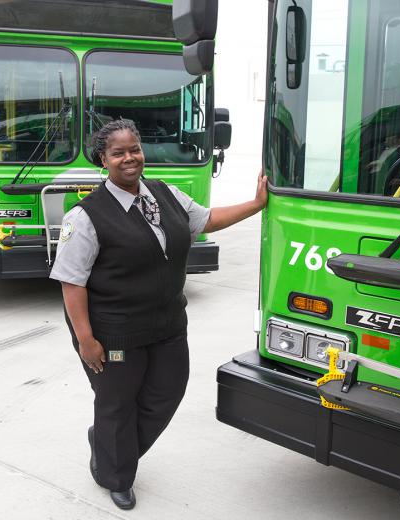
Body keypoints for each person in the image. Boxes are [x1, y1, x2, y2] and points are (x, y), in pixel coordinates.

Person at [49, 118, 267, 510]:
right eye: (118, 153)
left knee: (167, 391)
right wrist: (86, 340)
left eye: (135, 149)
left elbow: (207, 220)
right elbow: (72, 282)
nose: (129, 158)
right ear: (103, 160)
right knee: (117, 402)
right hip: (113, 333)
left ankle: (108, 443)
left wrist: (256, 204)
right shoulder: (85, 216)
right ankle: (114, 473)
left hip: (166, 324)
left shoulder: (164, 194)